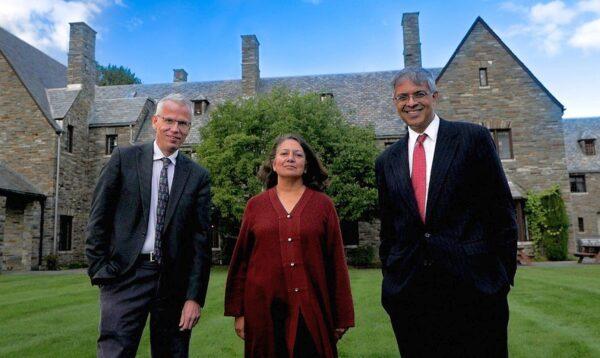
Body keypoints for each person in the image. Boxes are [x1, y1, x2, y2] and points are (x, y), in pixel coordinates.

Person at [375, 67, 517, 357]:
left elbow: (500, 212)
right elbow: (389, 228)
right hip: (411, 293)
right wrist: (392, 280)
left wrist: (501, 278)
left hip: (474, 289)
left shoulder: (471, 138)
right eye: (402, 97)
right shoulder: (387, 160)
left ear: (434, 96)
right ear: (394, 102)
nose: (411, 102)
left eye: (419, 94)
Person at [86, 93, 212, 357]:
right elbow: (99, 218)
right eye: (169, 121)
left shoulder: (198, 176)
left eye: (183, 124)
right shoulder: (124, 159)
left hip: (173, 280)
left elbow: (200, 242)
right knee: (115, 352)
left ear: (190, 128)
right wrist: (100, 268)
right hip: (126, 273)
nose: (175, 129)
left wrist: (194, 297)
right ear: (155, 121)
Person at [224, 134, 354, 357]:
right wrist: (239, 312)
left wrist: (341, 317)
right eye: (284, 153)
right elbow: (241, 260)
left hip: (311, 308)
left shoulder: (323, 206)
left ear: (306, 165)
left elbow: (336, 263)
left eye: (298, 154)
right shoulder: (255, 206)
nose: (290, 158)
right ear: (274, 164)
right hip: (264, 310)